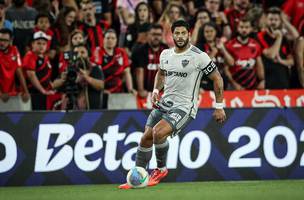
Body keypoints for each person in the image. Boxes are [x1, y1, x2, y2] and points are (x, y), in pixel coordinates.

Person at [119, 20, 226, 189]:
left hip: (184, 107)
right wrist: (155, 91)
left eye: (184, 33)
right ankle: (136, 178)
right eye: (177, 33)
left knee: (158, 133)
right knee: (145, 138)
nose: (180, 36)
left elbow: (217, 78)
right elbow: (161, 74)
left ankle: (160, 169)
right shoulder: (165, 54)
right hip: (164, 103)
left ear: (189, 34)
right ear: (172, 35)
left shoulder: (199, 56)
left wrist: (219, 106)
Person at [257, 7, 295, 89]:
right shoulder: (260, 36)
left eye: (276, 20)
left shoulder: (285, 38)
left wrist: (281, 61)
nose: (273, 22)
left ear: (280, 21)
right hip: (268, 81)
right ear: (266, 20)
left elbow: (292, 61)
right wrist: (279, 38)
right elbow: (271, 55)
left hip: (284, 80)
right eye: (271, 19)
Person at [224, 18, 265, 90]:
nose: (244, 30)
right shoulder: (229, 45)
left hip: (252, 86)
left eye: (246, 27)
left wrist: (262, 80)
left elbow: (259, 66)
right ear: (237, 28)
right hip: (234, 86)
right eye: (241, 27)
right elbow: (226, 68)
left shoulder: (256, 45)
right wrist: (234, 84)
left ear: (251, 29)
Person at [132, 23, 168, 98]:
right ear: (148, 35)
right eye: (154, 34)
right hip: (145, 93)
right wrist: (141, 90)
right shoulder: (140, 50)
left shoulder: (166, 50)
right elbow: (139, 71)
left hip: (162, 93)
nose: (156, 37)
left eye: (159, 34)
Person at [0, 28, 29, 103]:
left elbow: (19, 73)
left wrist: (25, 91)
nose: (2, 43)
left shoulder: (14, 50)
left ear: (10, 40)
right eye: (0, 39)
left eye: (5, 40)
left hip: (10, 92)